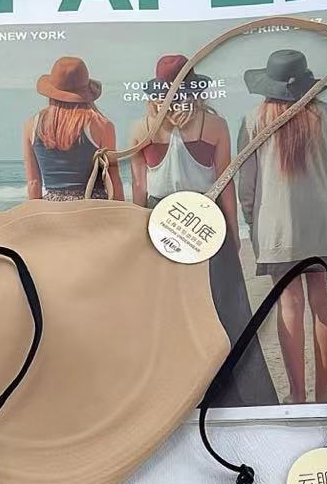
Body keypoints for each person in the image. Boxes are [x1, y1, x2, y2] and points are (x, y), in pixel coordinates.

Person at [129, 53, 271, 405]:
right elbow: (225, 183)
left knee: (169, 311)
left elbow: (139, 190)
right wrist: (233, 231)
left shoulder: (142, 128)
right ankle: (234, 393)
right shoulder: (214, 125)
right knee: (224, 307)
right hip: (205, 219)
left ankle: (176, 393)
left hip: (159, 221)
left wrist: (137, 237)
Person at [236, 48, 327, 404]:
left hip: (276, 228)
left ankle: (297, 393)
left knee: (290, 305)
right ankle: (325, 391)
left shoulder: (254, 119)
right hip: (322, 225)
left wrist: (253, 221)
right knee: (323, 305)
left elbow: (247, 183)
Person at [23, 56, 123, 201]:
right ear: (86, 92)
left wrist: (37, 213)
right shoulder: (102, 125)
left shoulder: (32, 125)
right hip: (91, 206)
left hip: (53, 207)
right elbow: (113, 178)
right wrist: (121, 211)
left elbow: (33, 183)